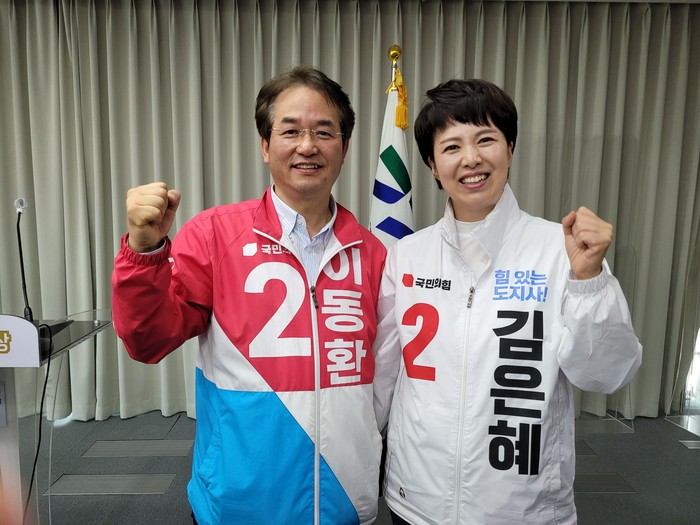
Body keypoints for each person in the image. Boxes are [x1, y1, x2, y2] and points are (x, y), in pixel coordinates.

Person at [112, 66, 387, 525]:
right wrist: (144, 253)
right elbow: (147, 341)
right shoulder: (214, 235)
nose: (307, 146)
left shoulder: (373, 253)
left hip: (344, 501)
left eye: (324, 132)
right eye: (290, 131)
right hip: (239, 503)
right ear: (264, 145)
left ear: (344, 148)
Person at [372, 79, 643, 525]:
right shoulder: (407, 255)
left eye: (486, 139)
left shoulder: (560, 250)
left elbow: (606, 374)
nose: (471, 158)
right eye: (451, 146)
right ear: (432, 166)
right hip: (416, 501)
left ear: (510, 149)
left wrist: (589, 281)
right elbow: (382, 377)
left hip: (522, 508)